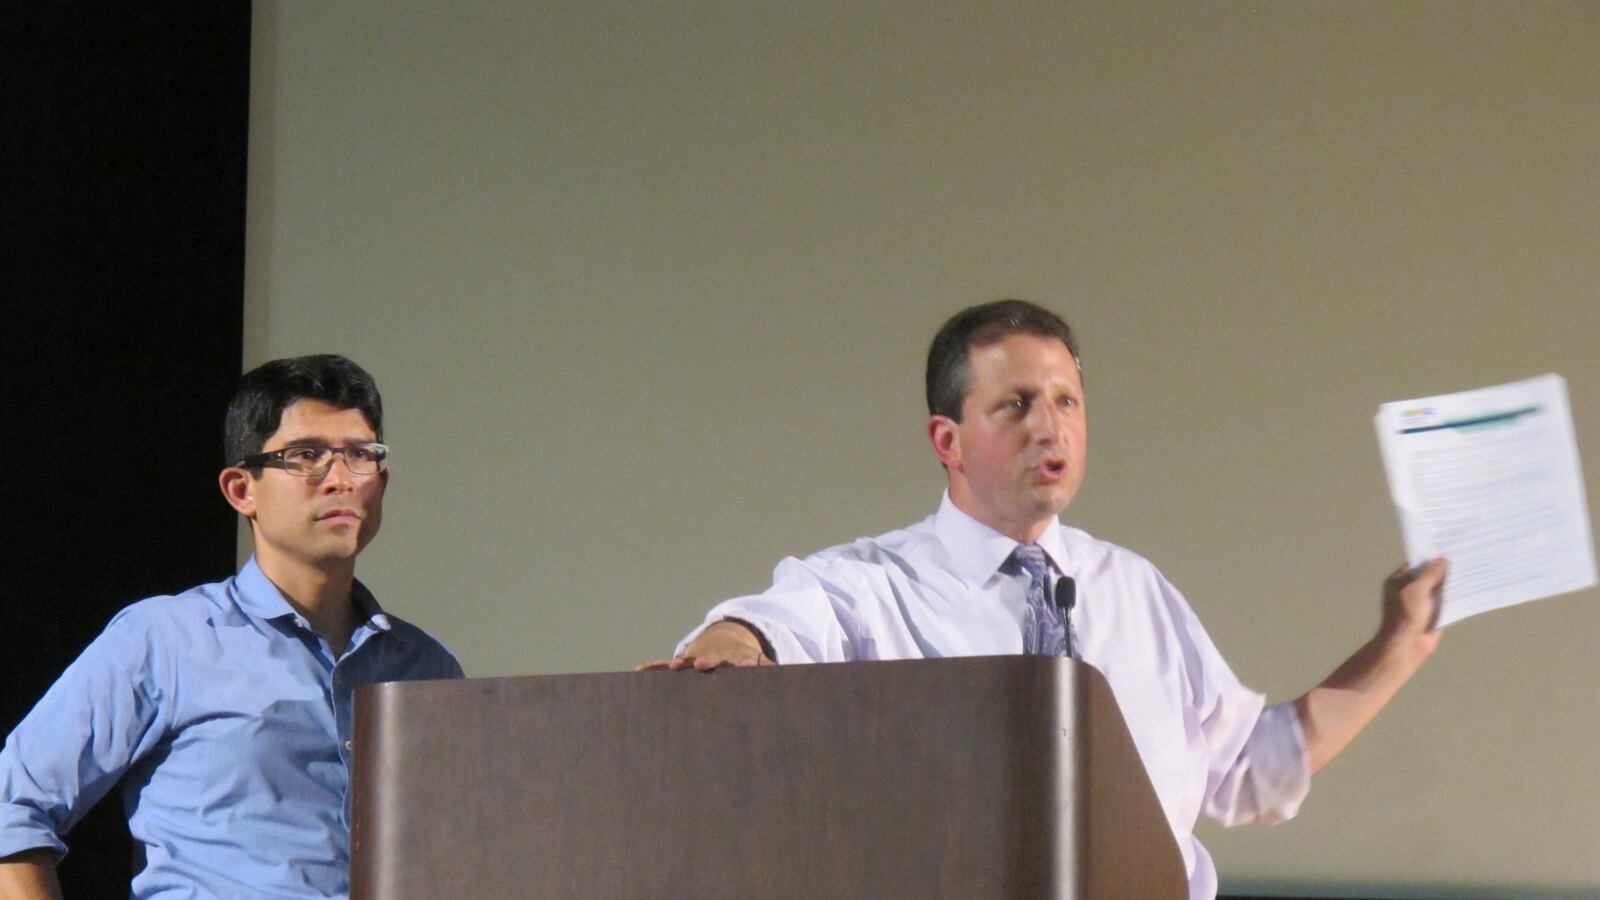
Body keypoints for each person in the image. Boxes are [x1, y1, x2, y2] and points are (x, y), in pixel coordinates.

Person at [643, 300, 1446, 900]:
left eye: (1067, 402)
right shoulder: (870, 585)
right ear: (947, 442)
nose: (1049, 429)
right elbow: (764, 627)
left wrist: (1399, 648)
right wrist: (734, 647)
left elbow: (1249, 770)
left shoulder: (1136, 590)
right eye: (1016, 405)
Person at [0, 354, 463, 899]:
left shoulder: (426, 668)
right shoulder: (167, 638)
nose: (341, 479)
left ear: (381, 480)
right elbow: (13, 806)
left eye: (360, 455)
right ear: (242, 490)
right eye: (307, 455)